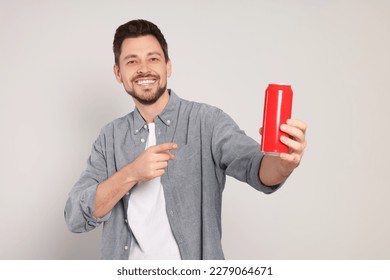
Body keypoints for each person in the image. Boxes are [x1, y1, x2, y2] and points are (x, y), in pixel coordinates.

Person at [64, 19, 307, 260]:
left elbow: (257, 168)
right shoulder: (109, 137)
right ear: (119, 73)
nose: (144, 69)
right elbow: (76, 216)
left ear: (168, 66)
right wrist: (132, 173)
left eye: (153, 59)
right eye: (131, 61)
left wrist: (283, 164)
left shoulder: (207, 121)